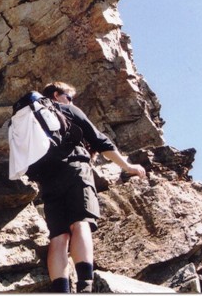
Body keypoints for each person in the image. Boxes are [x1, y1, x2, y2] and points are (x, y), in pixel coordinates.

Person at [36, 81, 146, 293]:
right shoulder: (66, 109)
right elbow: (99, 140)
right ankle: (85, 286)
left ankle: (60, 290)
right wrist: (127, 165)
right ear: (57, 95)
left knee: (58, 236)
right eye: (70, 97)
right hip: (75, 170)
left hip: (48, 178)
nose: (72, 101)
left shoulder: (33, 120)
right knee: (80, 223)